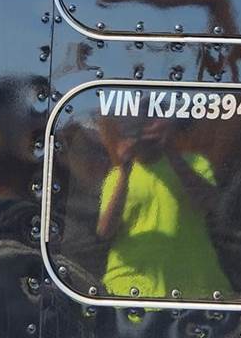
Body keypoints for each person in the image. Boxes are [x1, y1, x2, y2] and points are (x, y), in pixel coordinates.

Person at [96, 118, 230, 303]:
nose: (144, 137)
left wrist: (171, 153)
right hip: (130, 290)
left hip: (197, 289)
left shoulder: (195, 163)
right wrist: (125, 172)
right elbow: (105, 231)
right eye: (137, 132)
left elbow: (211, 205)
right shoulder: (115, 178)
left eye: (149, 129)